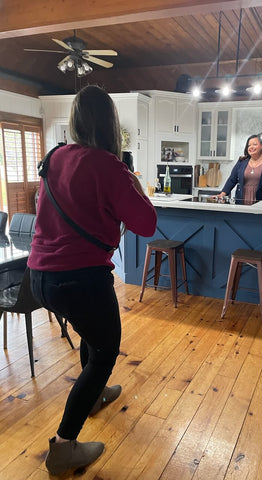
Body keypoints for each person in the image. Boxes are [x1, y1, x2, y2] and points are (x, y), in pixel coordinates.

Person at [28, 85, 157, 476]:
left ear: (75, 121)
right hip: (81, 279)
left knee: (90, 332)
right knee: (105, 352)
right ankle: (63, 448)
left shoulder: (53, 158)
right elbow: (147, 224)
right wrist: (133, 181)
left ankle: (96, 395)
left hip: (39, 277)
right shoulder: (109, 167)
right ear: (111, 124)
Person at [216, 134, 262, 203]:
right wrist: (222, 194)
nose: (251, 147)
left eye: (254, 144)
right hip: (241, 201)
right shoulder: (241, 162)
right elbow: (232, 180)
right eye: (249, 145)